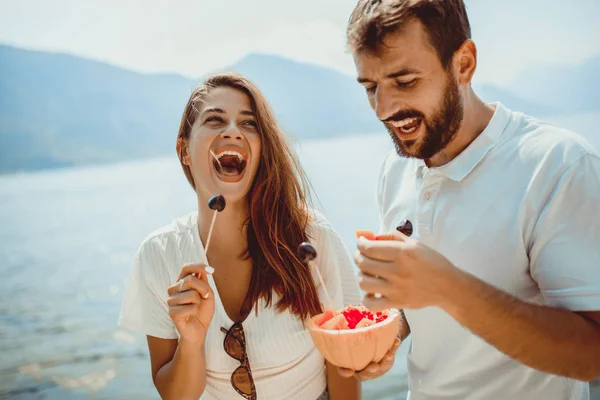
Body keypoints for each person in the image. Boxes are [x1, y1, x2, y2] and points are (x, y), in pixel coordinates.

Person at [340, 0, 600, 399]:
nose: (384, 109)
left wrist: (448, 288)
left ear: (463, 64)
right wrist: (389, 331)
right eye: (371, 88)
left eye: (405, 81)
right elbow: (412, 304)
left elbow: (592, 355)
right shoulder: (395, 171)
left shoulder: (558, 165)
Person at [118, 72, 368, 400]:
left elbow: (342, 364)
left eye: (248, 123)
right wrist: (191, 342)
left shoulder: (312, 239)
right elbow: (175, 394)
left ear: (261, 151)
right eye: (214, 119)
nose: (233, 131)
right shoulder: (158, 255)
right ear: (184, 151)